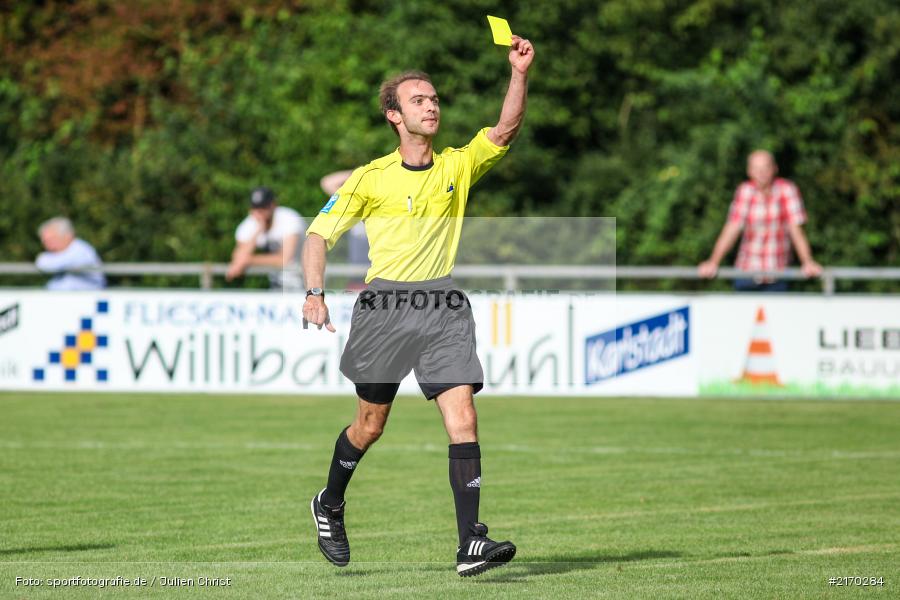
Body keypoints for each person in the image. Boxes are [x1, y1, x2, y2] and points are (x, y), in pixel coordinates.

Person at [302, 34, 534, 577]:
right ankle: (329, 502)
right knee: (370, 425)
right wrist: (314, 294)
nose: (431, 106)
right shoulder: (369, 178)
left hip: (444, 306)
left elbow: (504, 130)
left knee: (464, 417)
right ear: (393, 115)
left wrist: (519, 73)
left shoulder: (457, 165)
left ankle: (470, 542)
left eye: (434, 99)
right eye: (417, 100)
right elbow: (317, 235)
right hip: (385, 306)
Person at [698, 150, 823, 291]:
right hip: (746, 272)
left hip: (778, 274)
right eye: (756, 168)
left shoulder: (787, 190)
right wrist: (713, 261)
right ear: (749, 171)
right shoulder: (744, 191)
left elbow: (796, 230)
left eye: (765, 167)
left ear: (775, 168)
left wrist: (807, 261)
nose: (761, 173)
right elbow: (732, 229)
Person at [226, 187, 306, 290]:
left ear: (273, 205)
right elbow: (238, 259)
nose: (259, 212)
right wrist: (258, 230)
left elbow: (285, 260)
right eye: (255, 208)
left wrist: (249, 260)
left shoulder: (289, 219)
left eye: (263, 207)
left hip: (305, 283)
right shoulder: (250, 224)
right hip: (278, 285)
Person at [35, 217, 106, 290]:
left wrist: (45, 260)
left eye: (50, 239)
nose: (46, 244)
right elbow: (43, 261)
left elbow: (46, 263)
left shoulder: (81, 250)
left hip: (86, 298)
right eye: (44, 241)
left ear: (66, 236)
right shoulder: (61, 253)